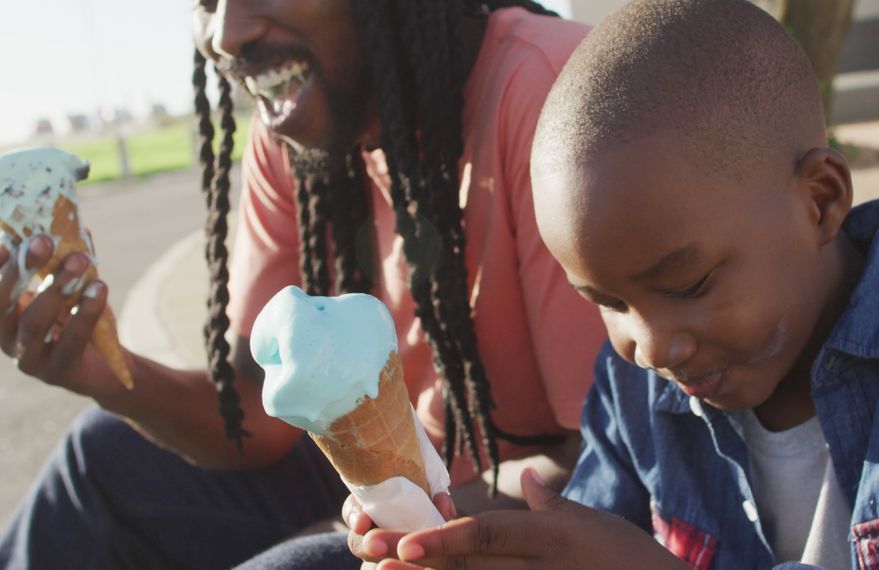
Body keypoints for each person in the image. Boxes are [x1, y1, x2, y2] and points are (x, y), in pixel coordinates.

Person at [350, 0, 879, 568]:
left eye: (690, 282)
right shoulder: (636, 388)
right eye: (607, 302)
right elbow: (594, 542)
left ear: (821, 200)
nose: (651, 344)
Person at [0, 0, 606, 568]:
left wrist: (353, 529)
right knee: (103, 455)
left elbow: (607, 460)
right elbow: (257, 415)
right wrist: (105, 375)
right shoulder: (293, 134)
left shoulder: (555, 96)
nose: (228, 32)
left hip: (531, 505)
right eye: (206, 2)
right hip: (380, 488)